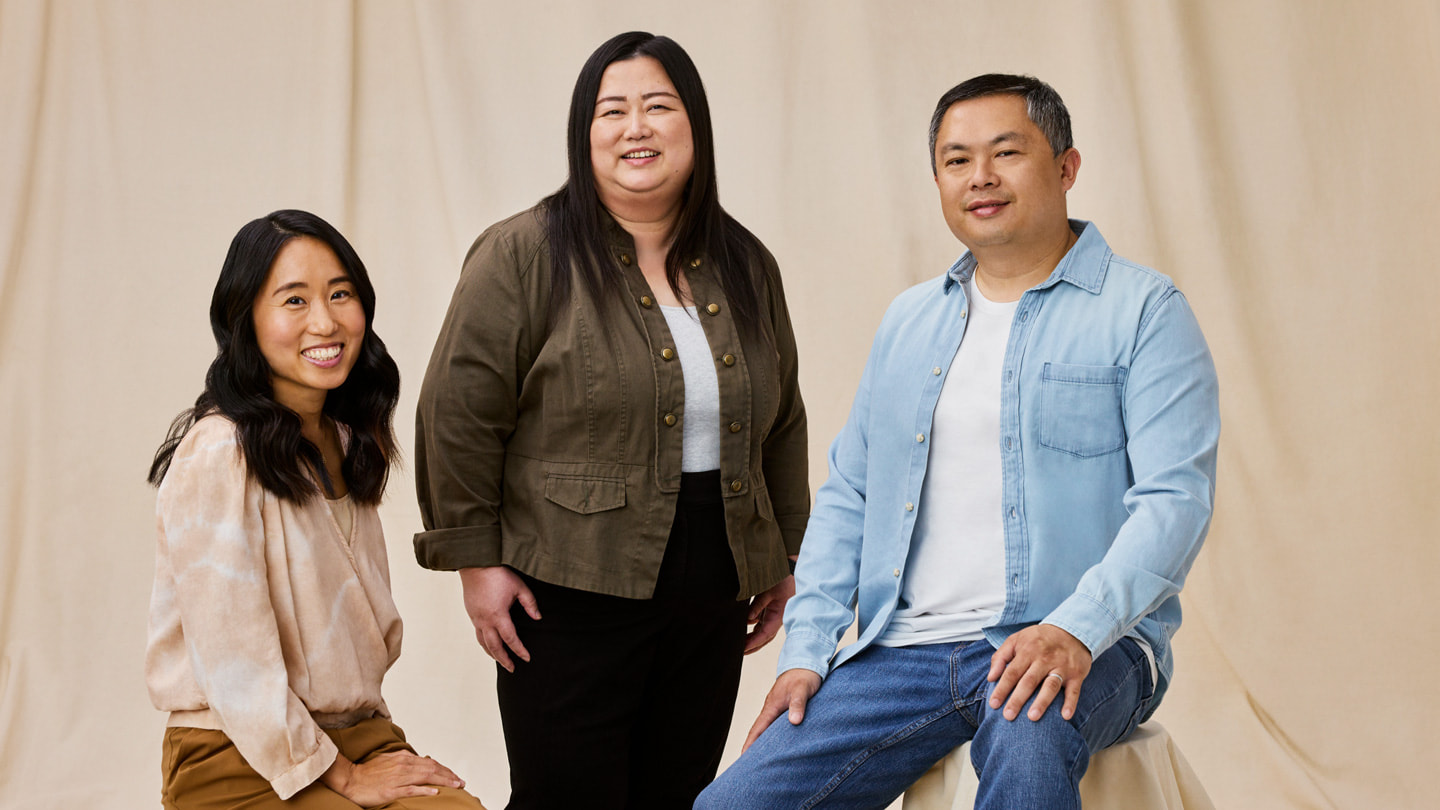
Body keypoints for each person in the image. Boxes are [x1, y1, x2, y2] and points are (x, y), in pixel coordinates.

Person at [698, 74, 1221, 809]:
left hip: (1087, 638)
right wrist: (807, 652)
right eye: (956, 159)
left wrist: (1075, 626)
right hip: (905, 650)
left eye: (1006, 152)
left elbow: (1175, 501)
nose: (980, 177)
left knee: (1027, 731)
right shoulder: (909, 322)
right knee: (734, 803)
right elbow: (852, 493)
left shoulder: (1143, 311)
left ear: (1066, 168)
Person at [412, 31, 809, 810]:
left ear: (693, 125)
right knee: (569, 796)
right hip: (564, 581)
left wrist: (780, 554)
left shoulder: (747, 263)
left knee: (677, 793)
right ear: (583, 133)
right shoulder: (522, 254)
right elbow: (456, 412)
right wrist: (475, 561)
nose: (637, 128)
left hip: (713, 583)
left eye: (659, 107)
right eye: (613, 110)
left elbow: (783, 418)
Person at [145, 210, 485, 810]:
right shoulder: (220, 450)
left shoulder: (350, 440)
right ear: (244, 318)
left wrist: (376, 753)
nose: (325, 321)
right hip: (235, 747)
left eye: (340, 294)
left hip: (353, 737)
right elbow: (234, 666)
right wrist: (351, 781)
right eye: (293, 301)